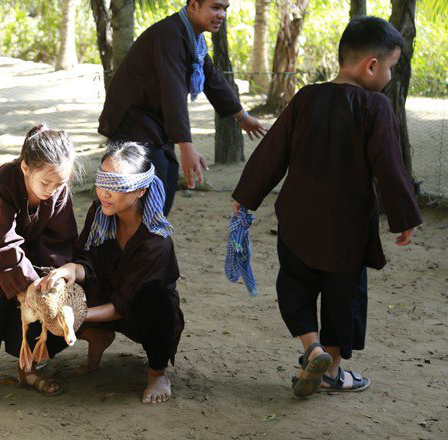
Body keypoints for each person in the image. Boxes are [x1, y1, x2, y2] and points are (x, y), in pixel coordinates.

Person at [231, 16, 422, 397]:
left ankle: (311, 348)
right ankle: (333, 371)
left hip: (298, 220)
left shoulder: (306, 97)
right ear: (371, 65)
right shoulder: (376, 107)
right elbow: (389, 163)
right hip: (347, 228)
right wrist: (404, 217)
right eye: (391, 67)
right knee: (343, 297)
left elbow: (273, 152)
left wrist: (245, 197)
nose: (390, 75)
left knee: (295, 285)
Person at [42, 141, 184, 404]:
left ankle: (158, 372)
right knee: (53, 291)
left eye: (115, 185)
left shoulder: (156, 240)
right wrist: (72, 269)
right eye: (102, 181)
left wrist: (76, 316)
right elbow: (88, 261)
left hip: (141, 314)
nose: (104, 193)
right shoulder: (101, 212)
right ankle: (99, 335)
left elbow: (126, 303)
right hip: (105, 295)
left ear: (140, 190)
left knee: (154, 299)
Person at [98, 0, 267, 215]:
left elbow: (212, 79)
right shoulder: (169, 34)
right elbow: (173, 88)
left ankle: (150, 243)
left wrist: (242, 117)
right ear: (193, 6)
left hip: (155, 125)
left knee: (166, 178)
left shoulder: (193, 38)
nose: (222, 14)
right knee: (150, 188)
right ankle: (138, 244)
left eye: (225, 8)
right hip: (132, 123)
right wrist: (186, 145)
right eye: (215, 7)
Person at [0, 125, 78, 406]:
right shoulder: (4, 180)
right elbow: (2, 242)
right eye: (45, 183)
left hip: (35, 254)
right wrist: (26, 283)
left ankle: (27, 368)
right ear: (25, 168)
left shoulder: (58, 188)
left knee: (39, 305)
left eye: (59, 183)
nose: (52, 190)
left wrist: (48, 279)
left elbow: (62, 239)